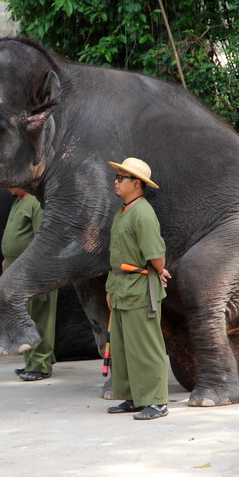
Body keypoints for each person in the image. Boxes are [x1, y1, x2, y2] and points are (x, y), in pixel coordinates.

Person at [104, 157, 172, 420]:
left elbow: (156, 256)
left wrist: (158, 269)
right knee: (123, 347)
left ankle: (156, 401)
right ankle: (134, 396)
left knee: (146, 345)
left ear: (136, 183)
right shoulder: (122, 211)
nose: (116, 181)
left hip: (139, 288)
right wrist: (111, 289)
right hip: (122, 285)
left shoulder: (142, 213)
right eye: (117, 176)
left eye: (121, 177)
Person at [0, 187, 57, 381]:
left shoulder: (36, 203)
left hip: (33, 272)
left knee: (39, 317)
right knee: (24, 316)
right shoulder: (18, 202)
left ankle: (41, 366)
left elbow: (42, 240)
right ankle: (31, 362)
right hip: (16, 270)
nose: (6, 185)